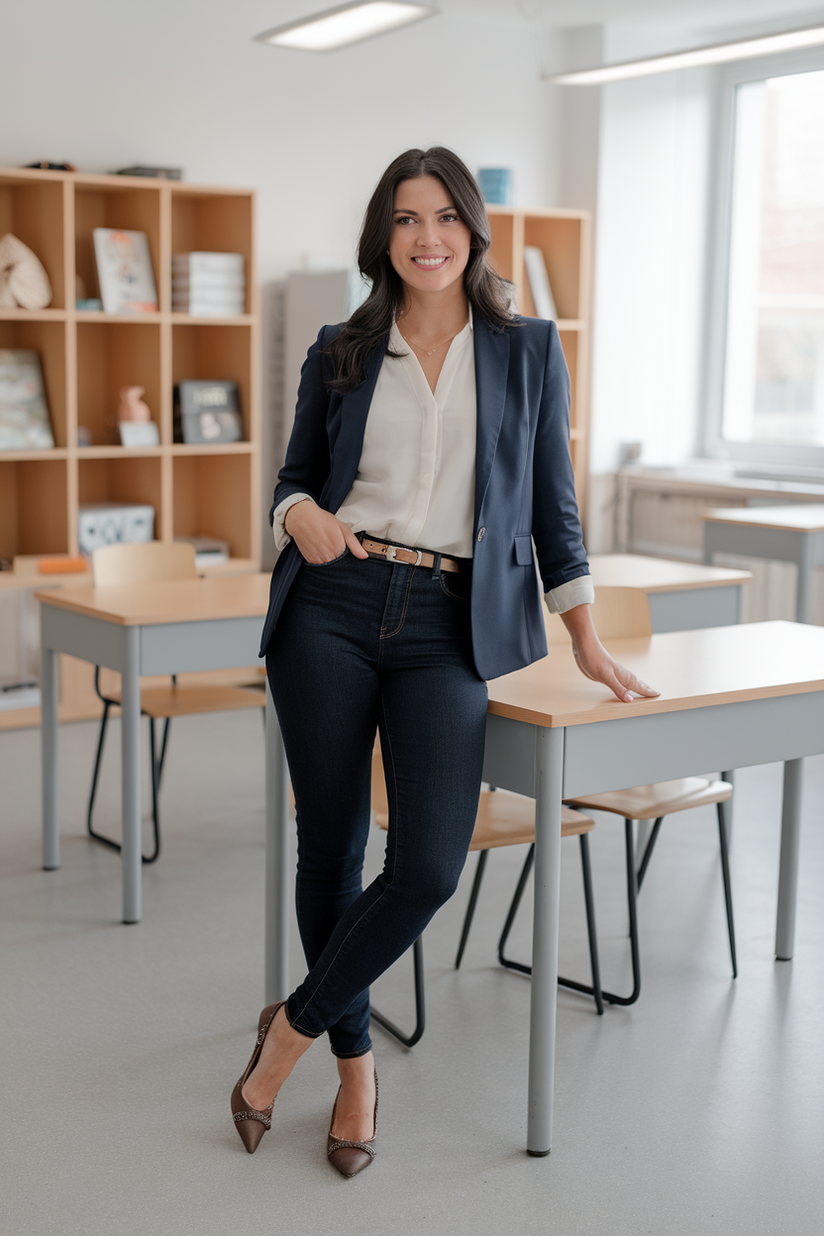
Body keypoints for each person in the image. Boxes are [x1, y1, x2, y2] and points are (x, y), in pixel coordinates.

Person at [231, 147, 657, 1176]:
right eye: (405, 219)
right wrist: (304, 520)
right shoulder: (340, 347)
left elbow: (553, 510)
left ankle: (284, 1035)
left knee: (424, 864)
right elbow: (287, 481)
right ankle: (355, 1065)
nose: (426, 238)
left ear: (471, 229)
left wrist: (585, 636)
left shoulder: (525, 350)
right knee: (328, 850)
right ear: (384, 235)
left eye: (444, 218)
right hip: (328, 609)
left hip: (447, 624)